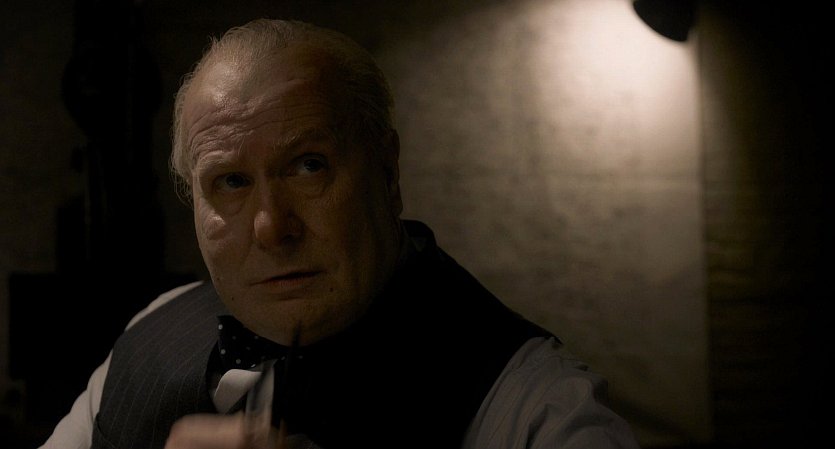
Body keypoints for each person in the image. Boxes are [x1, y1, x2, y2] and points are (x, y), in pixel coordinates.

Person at [39, 19, 641, 449]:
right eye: (231, 182)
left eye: (309, 166)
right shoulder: (150, 333)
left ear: (388, 173)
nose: (271, 227)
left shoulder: (543, 414)